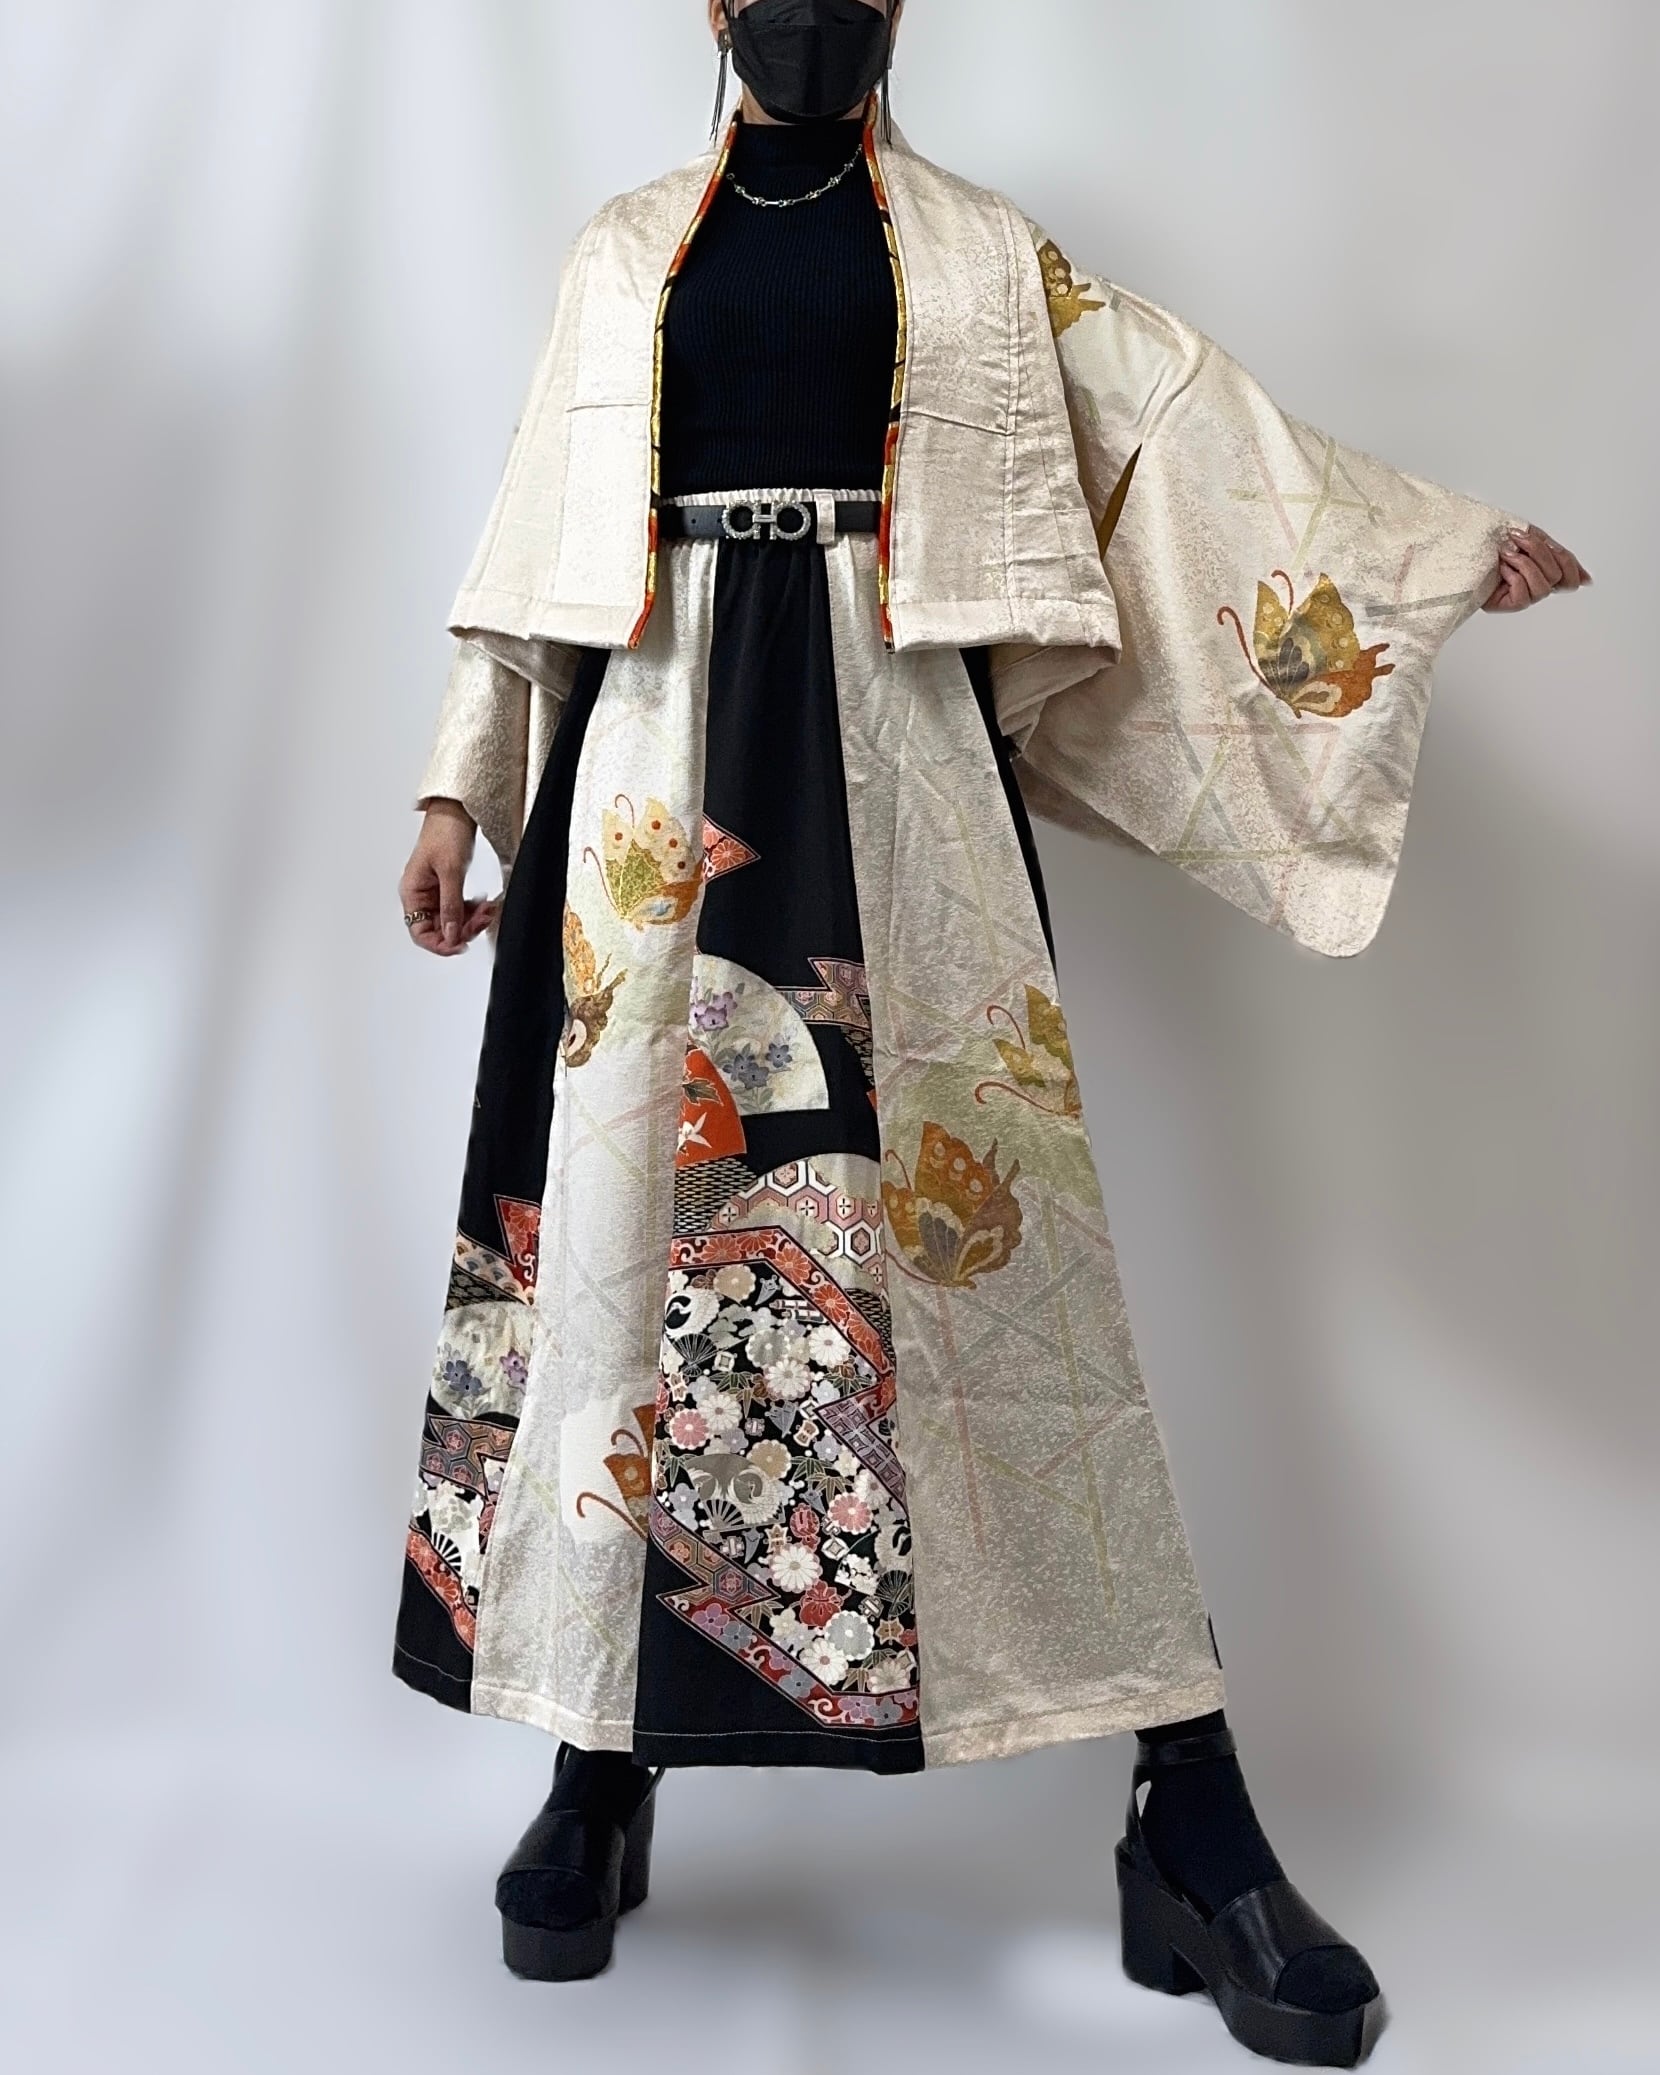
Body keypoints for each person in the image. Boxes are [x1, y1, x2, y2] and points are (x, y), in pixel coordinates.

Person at [393, 3, 1589, 2062]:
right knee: (620, 1253)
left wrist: (1416, 551)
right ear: (710, 9)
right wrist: (455, 790)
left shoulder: (975, 253)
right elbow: (533, 546)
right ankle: (598, 1758)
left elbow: (1180, 435)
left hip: (898, 776)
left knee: (1000, 1283)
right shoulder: (621, 249)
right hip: (648, 792)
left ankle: (1185, 1808)